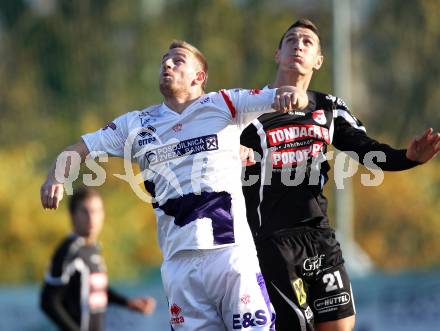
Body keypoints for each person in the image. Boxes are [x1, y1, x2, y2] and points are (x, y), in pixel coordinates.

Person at [40, 40, 309, 330]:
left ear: (199, 76)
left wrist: (293, 96)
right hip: (179, 268)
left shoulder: (226, 104)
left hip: (231, 257)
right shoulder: (136, 124)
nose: (167, 64)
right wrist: (56, 175)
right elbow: (81, 147)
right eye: (164, 61)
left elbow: (292, 96)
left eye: (178, 60)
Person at [240, 19, 440, 331]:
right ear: (277, 54)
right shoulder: (247, 109)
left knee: (340, 327)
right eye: (291, 40)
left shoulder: (329, 108)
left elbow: (365, 149)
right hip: (272, 242)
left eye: (307, 42)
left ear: (318, 60)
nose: (299, 45)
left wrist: (408, 158)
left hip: (320, 236)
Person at [40, 187, 156, 331]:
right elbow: (48, 302)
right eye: (85, 211)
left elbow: (95, 290)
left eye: (96, 211)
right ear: (72, 215)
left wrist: (128, 303)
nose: (91, 217)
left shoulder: (93, 248)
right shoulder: (69, 250)